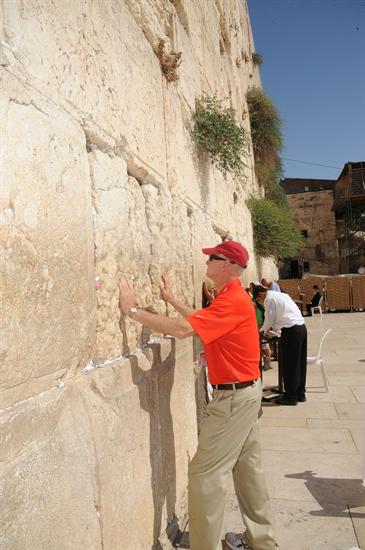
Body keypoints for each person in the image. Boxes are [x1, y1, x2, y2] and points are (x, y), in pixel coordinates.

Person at [118, 241, 277, 550]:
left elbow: (183, 330)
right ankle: (262, 540)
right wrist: (171, 299)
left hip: (233, 400)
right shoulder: (232, 297)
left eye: (212, 258)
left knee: (204, 473)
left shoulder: (231, 300)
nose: (206, 261)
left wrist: (133, 311)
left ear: (226, 265)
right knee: (248, 470)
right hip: (246, 394)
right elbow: (200, 323)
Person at [253, 285, 307, 406]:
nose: (261, 301)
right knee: (299, 362)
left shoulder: (269, 299)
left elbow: (269, 319)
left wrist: (262, 331)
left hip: (291, 330)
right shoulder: (282, 295)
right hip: (301, 327)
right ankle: (300, 393)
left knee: (289, 364)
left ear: (261, 295)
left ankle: (290, 397)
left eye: (259, 299)